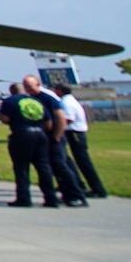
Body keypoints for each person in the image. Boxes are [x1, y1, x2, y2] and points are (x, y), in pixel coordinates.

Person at [24, 74, 88, 207]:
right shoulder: (32, 99)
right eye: (25, 86)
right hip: (44, 138)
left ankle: (77, 195)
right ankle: (66, 194)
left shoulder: (48, 98)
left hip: (54, 137)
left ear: (37, 84)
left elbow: (61, 118)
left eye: (29, 86)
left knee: (61, 166)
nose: (27, 88)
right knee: (54, 168)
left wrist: (57, 137)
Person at [0, 80, 60, 208]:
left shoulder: (10, 101)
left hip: (22, 134)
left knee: (21, 167)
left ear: (11, 92)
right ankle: (51, 198)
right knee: (43, 167)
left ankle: (24, 198)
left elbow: (4, 118)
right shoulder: (37, 101)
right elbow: (48, 123)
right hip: (40, 134)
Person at [55, 83, 108, 198]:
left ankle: (98, 189)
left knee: (83, 162)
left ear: (60, 91)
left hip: (74, 133)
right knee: (67, 159)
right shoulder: (69, 100)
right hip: (74, 133)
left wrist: (56, 127)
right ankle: (77, 183)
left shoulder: (66, 102)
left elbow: (68, 119)